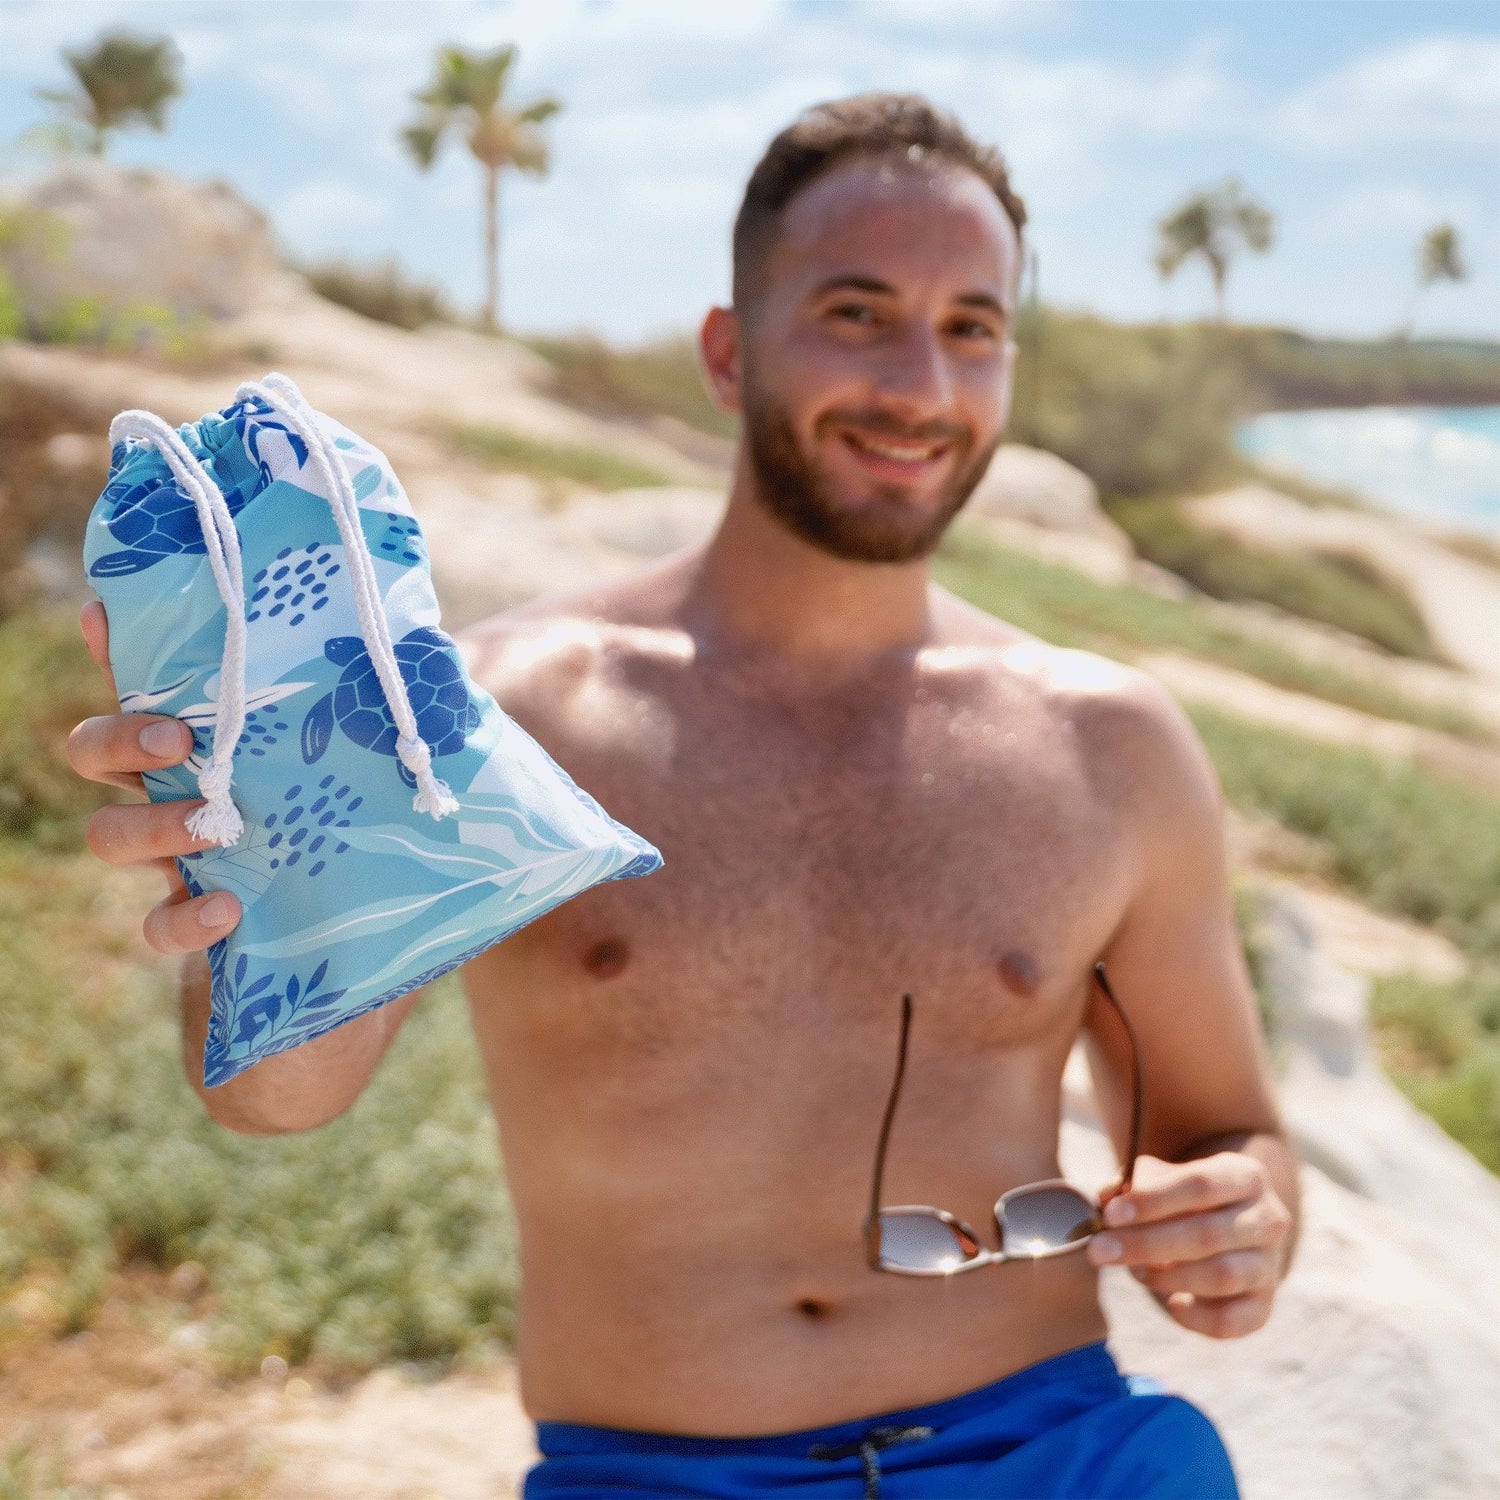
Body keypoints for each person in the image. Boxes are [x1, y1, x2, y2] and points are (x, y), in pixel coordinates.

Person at [68, 94, 1298, 1499]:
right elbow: (279, 1100)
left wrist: (1245, 1222)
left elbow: (1229, 1131)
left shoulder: (1113, 748)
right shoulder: (514, 712)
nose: (921, 384)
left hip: (1062, 1451)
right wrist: (235, 870)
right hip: (654, 1476)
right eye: (856, 311)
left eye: (974, 327)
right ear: (728, 353)